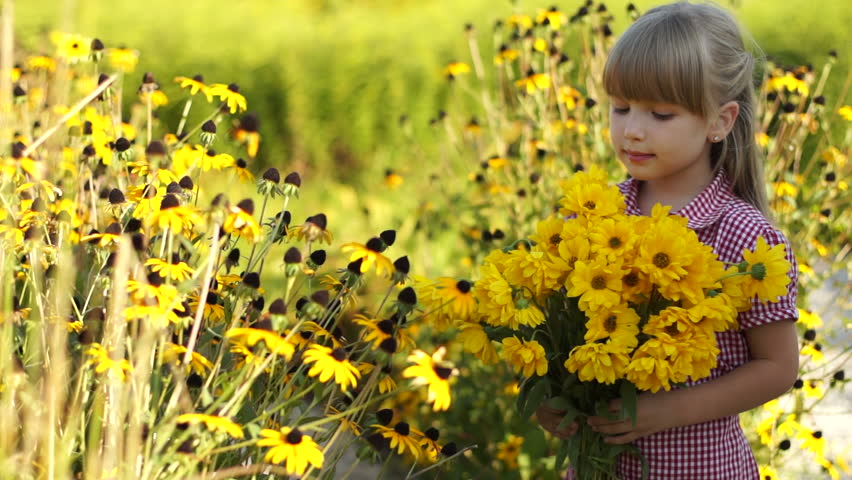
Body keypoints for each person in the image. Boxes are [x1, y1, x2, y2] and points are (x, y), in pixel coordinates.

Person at [535, 2, 800, 479]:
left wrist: (663, 411)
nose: (632, 130)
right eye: (620, 108)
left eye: (660, 114)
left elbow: (778, 367)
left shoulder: (744, 236)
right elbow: (561, 334)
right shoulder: (593, 215)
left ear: (720, 121)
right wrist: (553, 404)